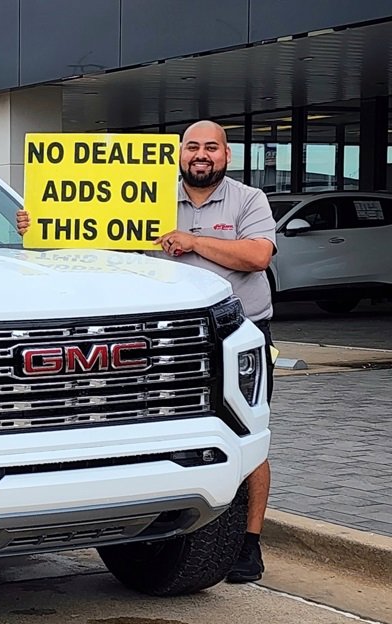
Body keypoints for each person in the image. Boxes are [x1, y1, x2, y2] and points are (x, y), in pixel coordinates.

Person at [17, 120, 277, 583]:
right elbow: (92, 242)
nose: (201, 155)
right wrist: (42, 226)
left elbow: (258, 256)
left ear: (226, 155)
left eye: (211, 148)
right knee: (158, 433)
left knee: (247, 433)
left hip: (236, 333)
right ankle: (162, 529)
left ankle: (248, 544)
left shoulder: (247, 200)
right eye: (192, 146)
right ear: (179, 154)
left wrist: (194, 241)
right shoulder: (145, 193)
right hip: (164, 340)